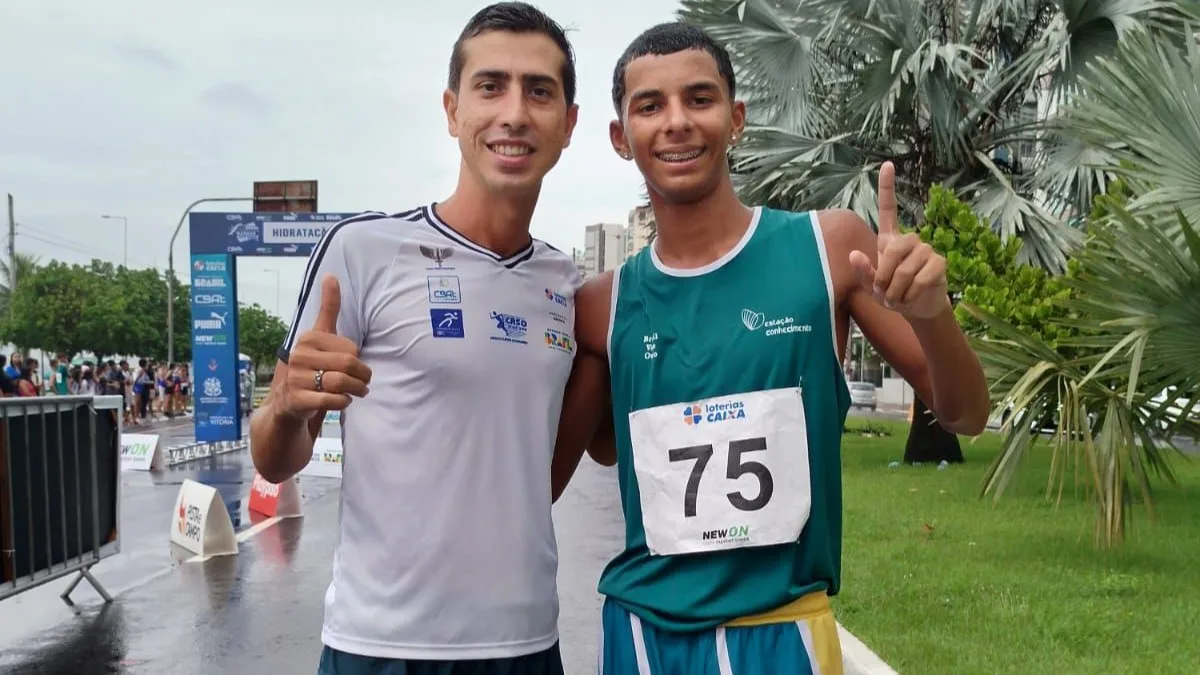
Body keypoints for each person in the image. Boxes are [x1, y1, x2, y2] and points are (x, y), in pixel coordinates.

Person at [549, 23, 991, 675]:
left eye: (699, 99)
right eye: (650, 105)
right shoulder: (601, 305)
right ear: (621, 137)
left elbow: (967, 415)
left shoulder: (829, 248)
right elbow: (567, 465)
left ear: (737, 119)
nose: (676, 122)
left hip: (780, 636)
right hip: (642, 639)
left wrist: (933, 316)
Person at [249, 3, 581, 674]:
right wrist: (289, 406)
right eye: (491, 86)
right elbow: (274, 458)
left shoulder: (568, 285)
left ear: (568, 124)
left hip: (525, 647)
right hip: (380, 648)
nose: (514, 112)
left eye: (539, 90)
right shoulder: (364, 250)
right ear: (453, 111)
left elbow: (534, 475)